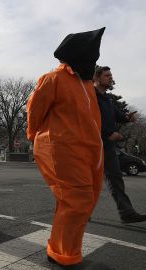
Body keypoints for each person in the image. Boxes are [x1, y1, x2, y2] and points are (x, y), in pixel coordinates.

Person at [26, 28, 105, 267]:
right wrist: (33, 136)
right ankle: (64, 255)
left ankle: (61, 248)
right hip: (60, 148)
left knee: (82, 200)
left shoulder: (87, 84)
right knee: (77, 200)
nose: (95, 62)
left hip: (90, 149)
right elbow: (34, 110)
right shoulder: (53, 79)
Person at [94, 66, 146, 223]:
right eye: (107, 75)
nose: (110, 78)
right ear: (96, 78)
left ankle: (126, 213)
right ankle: (78, 213)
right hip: (91, 146)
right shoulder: (90, 96)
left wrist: (127, 118)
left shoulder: (108, 99)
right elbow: (88, 120)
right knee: (86, 182)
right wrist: (109, 134)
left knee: (116, 178)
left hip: (108, 147)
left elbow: (118, 116)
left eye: (111, 75)